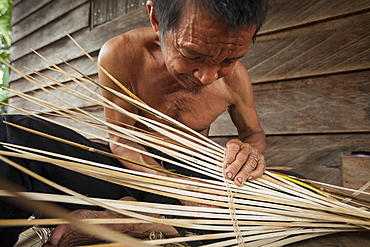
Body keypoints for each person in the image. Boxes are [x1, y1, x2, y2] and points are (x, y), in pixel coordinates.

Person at [0, 0, 268, 246]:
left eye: (229, 59)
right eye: (192, 54)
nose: (208, 77)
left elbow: (253, 133)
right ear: (156, 19)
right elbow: (122, 141)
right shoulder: (122, 54)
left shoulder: (235, 80)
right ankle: (151, 217)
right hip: (128, 172)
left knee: (295, 195)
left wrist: (248, 151)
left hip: (194, 184)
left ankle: (142, 223)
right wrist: (175, 187)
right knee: (9, 136)